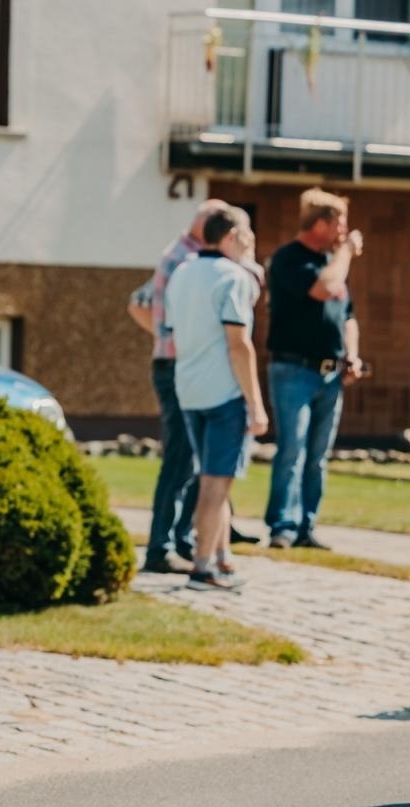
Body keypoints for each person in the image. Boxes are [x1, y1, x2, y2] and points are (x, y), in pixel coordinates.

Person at [164, 205, 268, 591]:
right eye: (243, 235)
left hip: (189, 389)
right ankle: (202, 568)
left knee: (213, 479)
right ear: (229, 237)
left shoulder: (182, 273)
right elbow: (239, 345)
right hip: (224, 393)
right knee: (215, 484)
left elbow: (173, 329)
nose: (247, 242)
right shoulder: (232, 277)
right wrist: (255, 404)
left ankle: (223, 558)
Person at [128, 199, 227, 574]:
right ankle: (161, 548)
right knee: (180, 459)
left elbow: (139, 303)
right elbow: (139, 304)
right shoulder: (186, 260)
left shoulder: (181, 255)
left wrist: (164, 335)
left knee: (190, 459)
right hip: (176, 366)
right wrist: (171, 338)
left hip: (177, 362)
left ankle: (180, 540)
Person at [264, 188, 365, 550]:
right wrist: (346, 252)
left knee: (318, 457)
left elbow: (348, 316)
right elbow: (325, 289)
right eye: (340, 223)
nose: (345, 231)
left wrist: (351, 355)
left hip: (330, 374)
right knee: (292, 449)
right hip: (293, 371)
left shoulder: (332, 261)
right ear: (321, 223)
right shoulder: (290, 259)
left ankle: (306, 525)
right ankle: (283, 526)